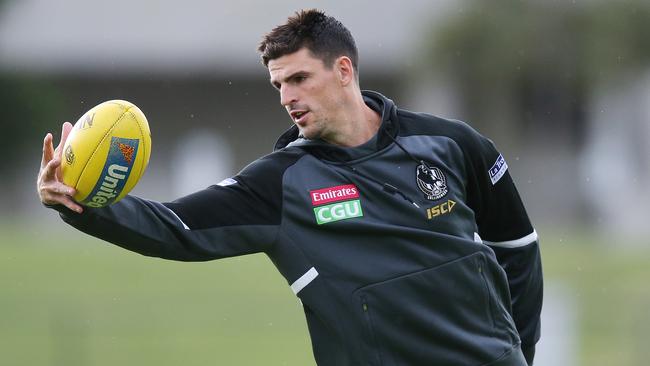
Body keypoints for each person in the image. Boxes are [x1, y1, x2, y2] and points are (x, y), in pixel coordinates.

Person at [38, 9, 542, 366]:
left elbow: (517, 249)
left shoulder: (453, 143)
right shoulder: (278, 183)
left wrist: (517, 352)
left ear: (343, 70)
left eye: (299, 78)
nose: (287, 97)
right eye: (278, 84)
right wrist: (80, 205)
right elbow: (177, 228)